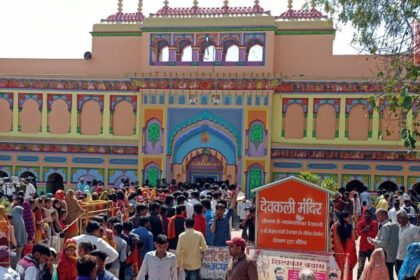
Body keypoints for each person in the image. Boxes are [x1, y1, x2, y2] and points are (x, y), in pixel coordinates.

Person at [368, 208, 399, 280]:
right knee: (390, 274)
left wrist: (373, 241)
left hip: (385, 255)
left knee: (387, 275)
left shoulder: (385, 226)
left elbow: (383, 243)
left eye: (377, 216)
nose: (377, 218)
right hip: (394, 254)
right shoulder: (395, 225)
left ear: (383, 215)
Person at [331, 211, 357, 280]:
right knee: (348, 271)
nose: (349, 218)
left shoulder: (334, 226)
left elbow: (332, 240)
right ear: (345, 218)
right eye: (348, 217)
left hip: (338, 254)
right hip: (348, 252)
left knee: (339, 271)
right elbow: (354, 238)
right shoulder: (349, 226)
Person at [395, 210, 420, 276]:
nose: (397, 220)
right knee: (399, 275)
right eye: (397, 218)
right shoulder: (397, 228)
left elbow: (417, 245)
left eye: (399, 218)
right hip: (398, 258)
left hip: (408, 260)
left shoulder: (414, 229)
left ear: (405, 218)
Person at [356, 210, 379, 279]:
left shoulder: (375, 223)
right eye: (364, 214)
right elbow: (359, 233)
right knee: (360, 267)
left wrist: (366, 233)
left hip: (371, 248)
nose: (366, 216)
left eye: (367, 214)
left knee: (372, 266)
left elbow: (374, 234)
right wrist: (364, 230)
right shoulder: (360, 223)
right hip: (362, 248)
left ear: (370, 215)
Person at [10, 204, 27, 268]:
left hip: (14, 243)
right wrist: (19, 244)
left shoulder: (13, 217)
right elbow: (20, 232)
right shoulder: (20, 219)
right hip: (18, 244)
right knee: (16, 261)